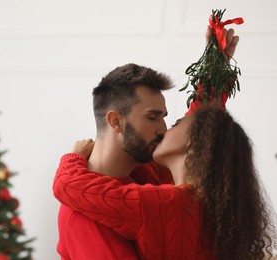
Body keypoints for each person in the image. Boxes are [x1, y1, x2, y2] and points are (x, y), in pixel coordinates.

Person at [54, 27, 240, 259]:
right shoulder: (84, 214)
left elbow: (194, 137)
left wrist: (215, 68)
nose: (163, 129)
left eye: (163, 117)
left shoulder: (147, 173)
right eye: (152, 117)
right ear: (116, 122)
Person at [53, 103, 276, 259]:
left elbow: (70, 186)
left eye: (176, 123)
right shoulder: (215, 204)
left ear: (195, 143)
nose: (163, 130)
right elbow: (213, 132)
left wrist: (74, 157)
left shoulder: (160, 204)